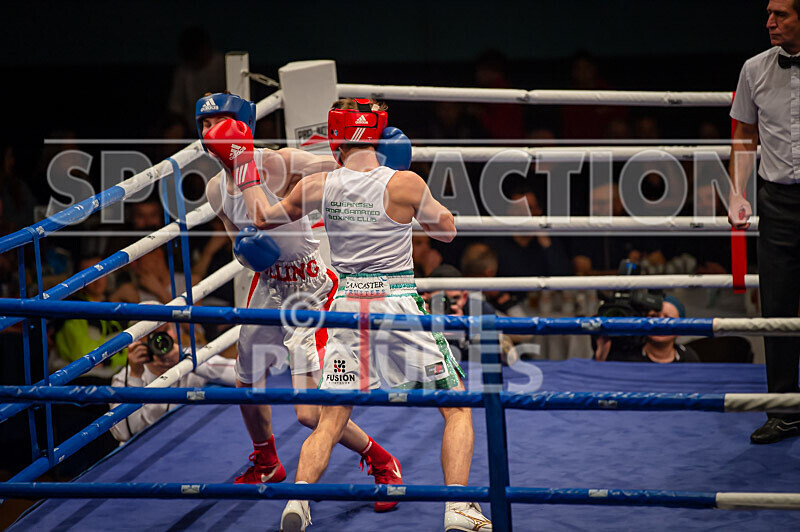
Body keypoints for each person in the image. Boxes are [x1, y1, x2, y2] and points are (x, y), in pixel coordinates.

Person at [237, 97, 491, 531]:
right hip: (398, 303)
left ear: (335, 138)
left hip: (347, 306)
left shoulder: (319, 186)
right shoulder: (405, 183)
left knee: (332, 418)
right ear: (377, 134)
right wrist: (425, 205)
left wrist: (242, 162)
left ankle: (297, 502)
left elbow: (261, 216)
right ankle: (458, 510)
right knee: (456, 406)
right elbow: (446, 232)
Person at [198, 93, 403, 510]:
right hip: (268, 284)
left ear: (241, 126)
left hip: (310, 287)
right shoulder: (215, 188)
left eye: (219, 120)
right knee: (246, 383)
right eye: (204, 123)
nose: (210, 130)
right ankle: (267, 461)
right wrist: (247, 251)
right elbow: (237, 240)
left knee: (310, 414)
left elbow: (342, 168)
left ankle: (382, 460)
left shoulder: (278, 163)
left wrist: (386, 160)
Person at [728, 0, 800, 444]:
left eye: (782, 14)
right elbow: (742, 133)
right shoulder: (755, 68)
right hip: (777, 200)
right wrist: (738, 192)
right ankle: (785, 410)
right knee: (776, 305)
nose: (769, 22)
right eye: (768, 13)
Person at [109, 321, 236, 442]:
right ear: (137, 342)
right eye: (151, 335)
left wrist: (189, 362)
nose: (160, 339)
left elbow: (243, 375)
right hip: (146, 450)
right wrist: (135, 377)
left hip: (189, 442)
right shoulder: (124, 378)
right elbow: (123, 434)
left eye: (165, 330)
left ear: (175, 331)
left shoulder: (192, 356)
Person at [594, 295, 700, 363]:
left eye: (668, 319)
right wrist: (601, 354)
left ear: (680, 329)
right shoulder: (626, 357)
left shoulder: (689, 358)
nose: (659, 324)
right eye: (654, 317)